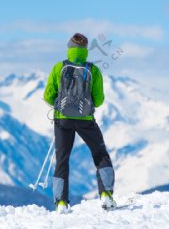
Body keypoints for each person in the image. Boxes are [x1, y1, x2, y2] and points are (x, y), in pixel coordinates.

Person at [43, 33, 116, 213]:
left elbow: (47, 96)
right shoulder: (93, 70)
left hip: (62, 119)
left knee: (62, 159)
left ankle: (61, 203)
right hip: (86, 120)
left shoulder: (59, 67)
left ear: (69, 48)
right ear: (85, 50)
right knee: (100, 154)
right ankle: (106, 194)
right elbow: (98, 100)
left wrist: (61, 105)